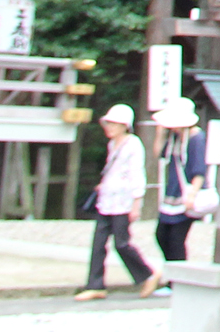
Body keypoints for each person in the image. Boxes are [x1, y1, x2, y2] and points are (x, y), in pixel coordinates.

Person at [77, 104, 160, 300]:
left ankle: (147, 274)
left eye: (114, 124)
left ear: (125, 126)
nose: (110, 127)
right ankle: (95, 285)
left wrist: (136, 203)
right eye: (109, 123)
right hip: (106, 200)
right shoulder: (112, 145)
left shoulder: (133, 144)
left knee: (121, 244)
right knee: (98, 243)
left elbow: (136, 174)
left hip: (123, 202)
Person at [151, 97, 210, 282]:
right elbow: (159, 154)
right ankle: (173, 277)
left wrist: (192, 194)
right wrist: (160, 133)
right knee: (161, 235)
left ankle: (177, 281)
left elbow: (199, 169)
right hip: (172, 193)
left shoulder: (196, 138)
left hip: (187, 194)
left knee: (176, 239)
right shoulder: (175, 137)